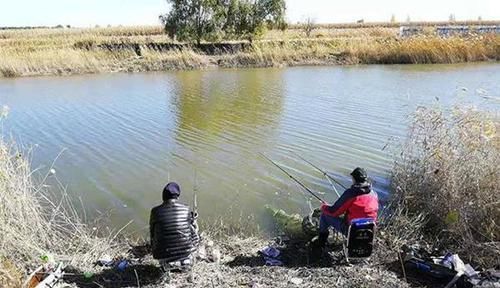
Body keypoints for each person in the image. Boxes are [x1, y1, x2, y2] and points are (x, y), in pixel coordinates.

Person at [316, 167, 379, 248]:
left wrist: (324, 206)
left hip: (352, 232)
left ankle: (321, 243)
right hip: (369, 232)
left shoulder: (350, 194)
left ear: (354, 179)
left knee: (324, 216)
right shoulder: (374, 194)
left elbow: (334, 212)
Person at [150, 182, 199, 272]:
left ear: (163, 196)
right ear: (177, 197)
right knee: (193, 224)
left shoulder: (155, 211)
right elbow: (191, 229)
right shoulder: (186, 208)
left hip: (162, 255)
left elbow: (152, 233)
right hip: (187, 251)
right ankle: (185, 260)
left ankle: (167, 264)